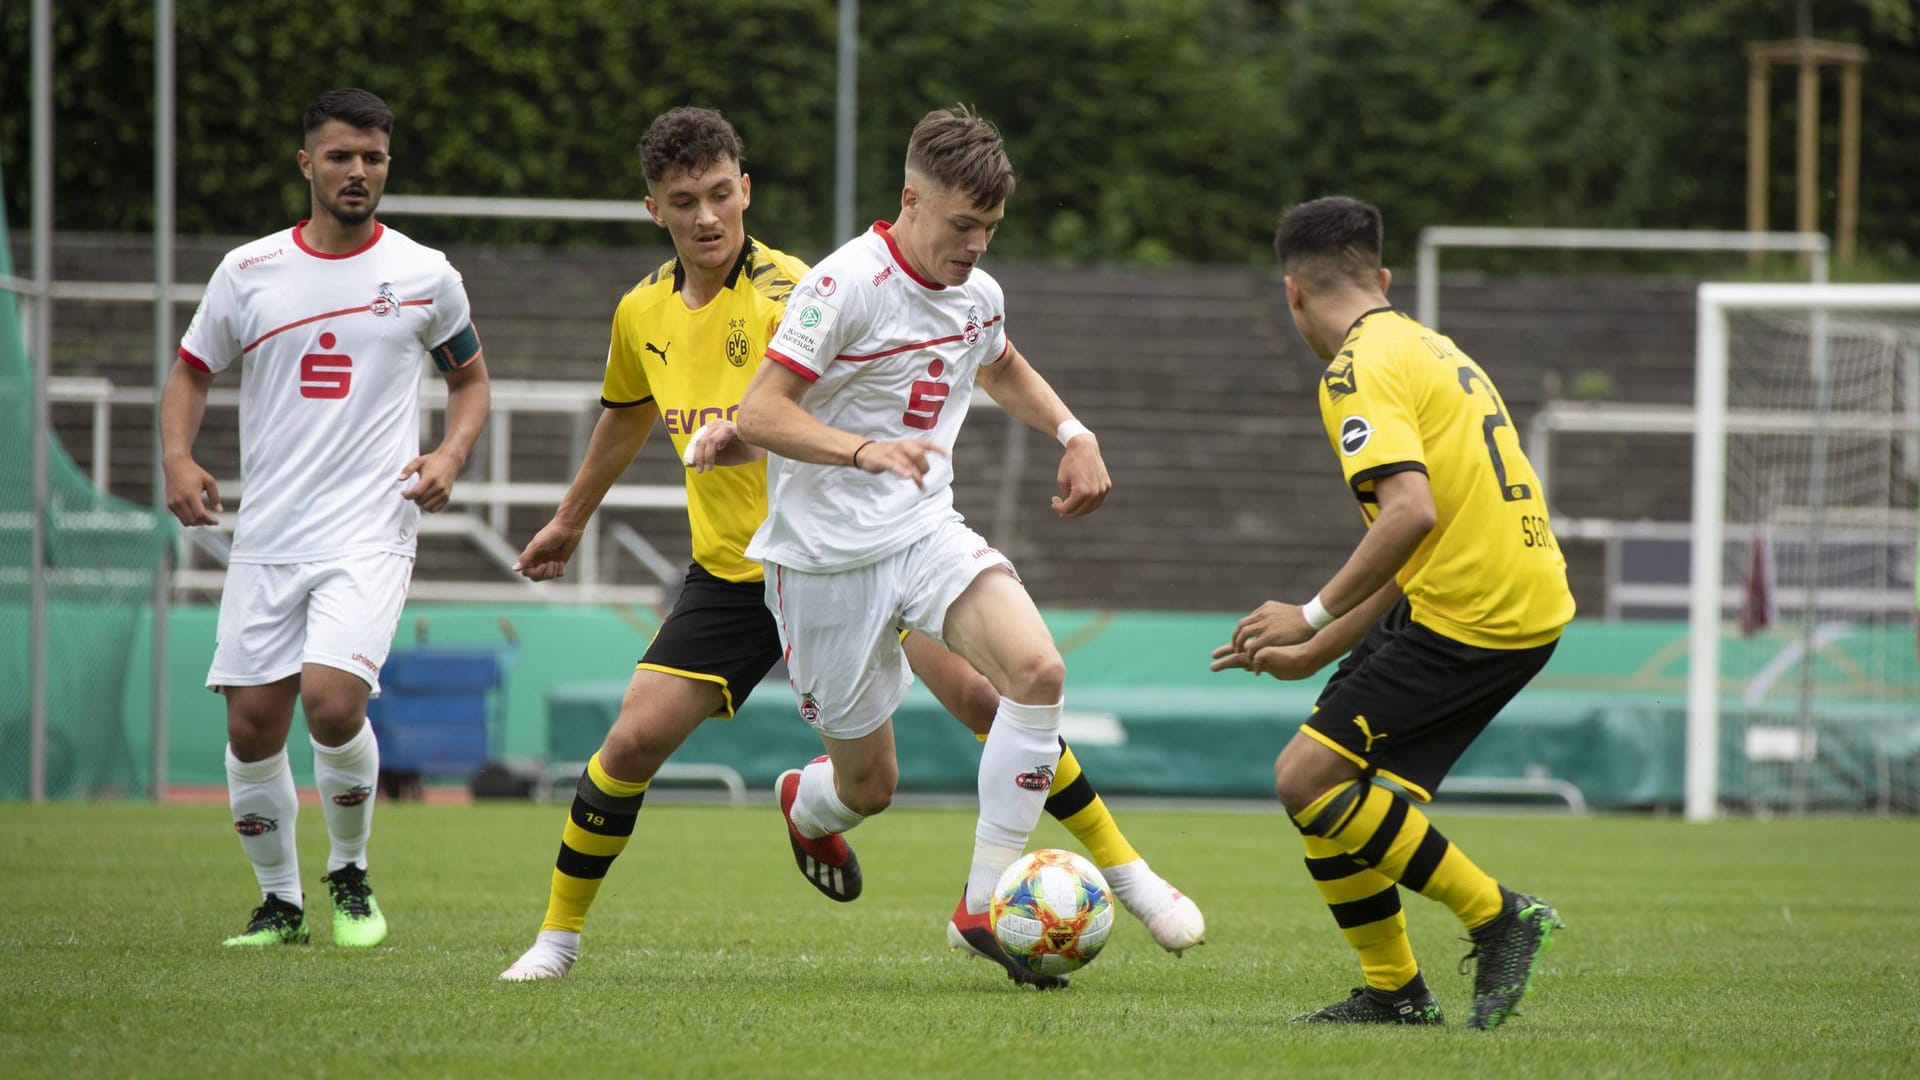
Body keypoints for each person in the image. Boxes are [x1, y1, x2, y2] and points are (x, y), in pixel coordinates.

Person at [498, 107, 1201, 982]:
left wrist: (1069, 430)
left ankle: (1079, 885)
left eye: (723, 193)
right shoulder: (646, 310)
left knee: (1013, 688)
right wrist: (571, 518)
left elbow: (959, 363)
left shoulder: (803, 286)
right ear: (656, 209)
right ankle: (559, 938)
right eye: (687, 201)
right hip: (763, 568)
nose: (709, 216)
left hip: (899, 537)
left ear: (745, 190)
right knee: (694, 754)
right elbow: (633, 416)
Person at [735, 104, 1135, 991]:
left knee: (1037, 674)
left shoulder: (978, 293)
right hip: (823, 561)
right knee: (869, 786)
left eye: (990, 229)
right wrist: (864, 449)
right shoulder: (843, 287)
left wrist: (1074, 431)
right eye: (963, 225)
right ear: (910, 199)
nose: (977, 245)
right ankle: (808, 804)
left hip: (922, 530)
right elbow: (758, 414)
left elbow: (998, 364)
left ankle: (982, 905)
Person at [1211, 196, 1572, 1029]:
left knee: (1305, 777)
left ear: (1292, 292)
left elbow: (1410, 514)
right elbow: (1415, 541)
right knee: (1337, 793)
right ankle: (1395, 993)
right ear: (1381, 277)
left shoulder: (1354, 371)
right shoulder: (1427, 346)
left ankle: (1499, 916)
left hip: (1473, 610)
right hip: (1498, 594)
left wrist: (1307, 614)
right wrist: (1317, 647)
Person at [162, 88, 490, 948]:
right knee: (251, 725)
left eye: (372, 158)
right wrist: (177, 457)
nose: (357, 172)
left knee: (334, 702)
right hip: (268, 533)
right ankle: (282, 902)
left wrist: (451, 455)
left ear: (388, 165)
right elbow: (192, 369)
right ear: (307, 163)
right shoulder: (248, 270)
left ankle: (348, 874)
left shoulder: (425, 274)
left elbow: (470, 380)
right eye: (341, 156)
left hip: (370, 529)